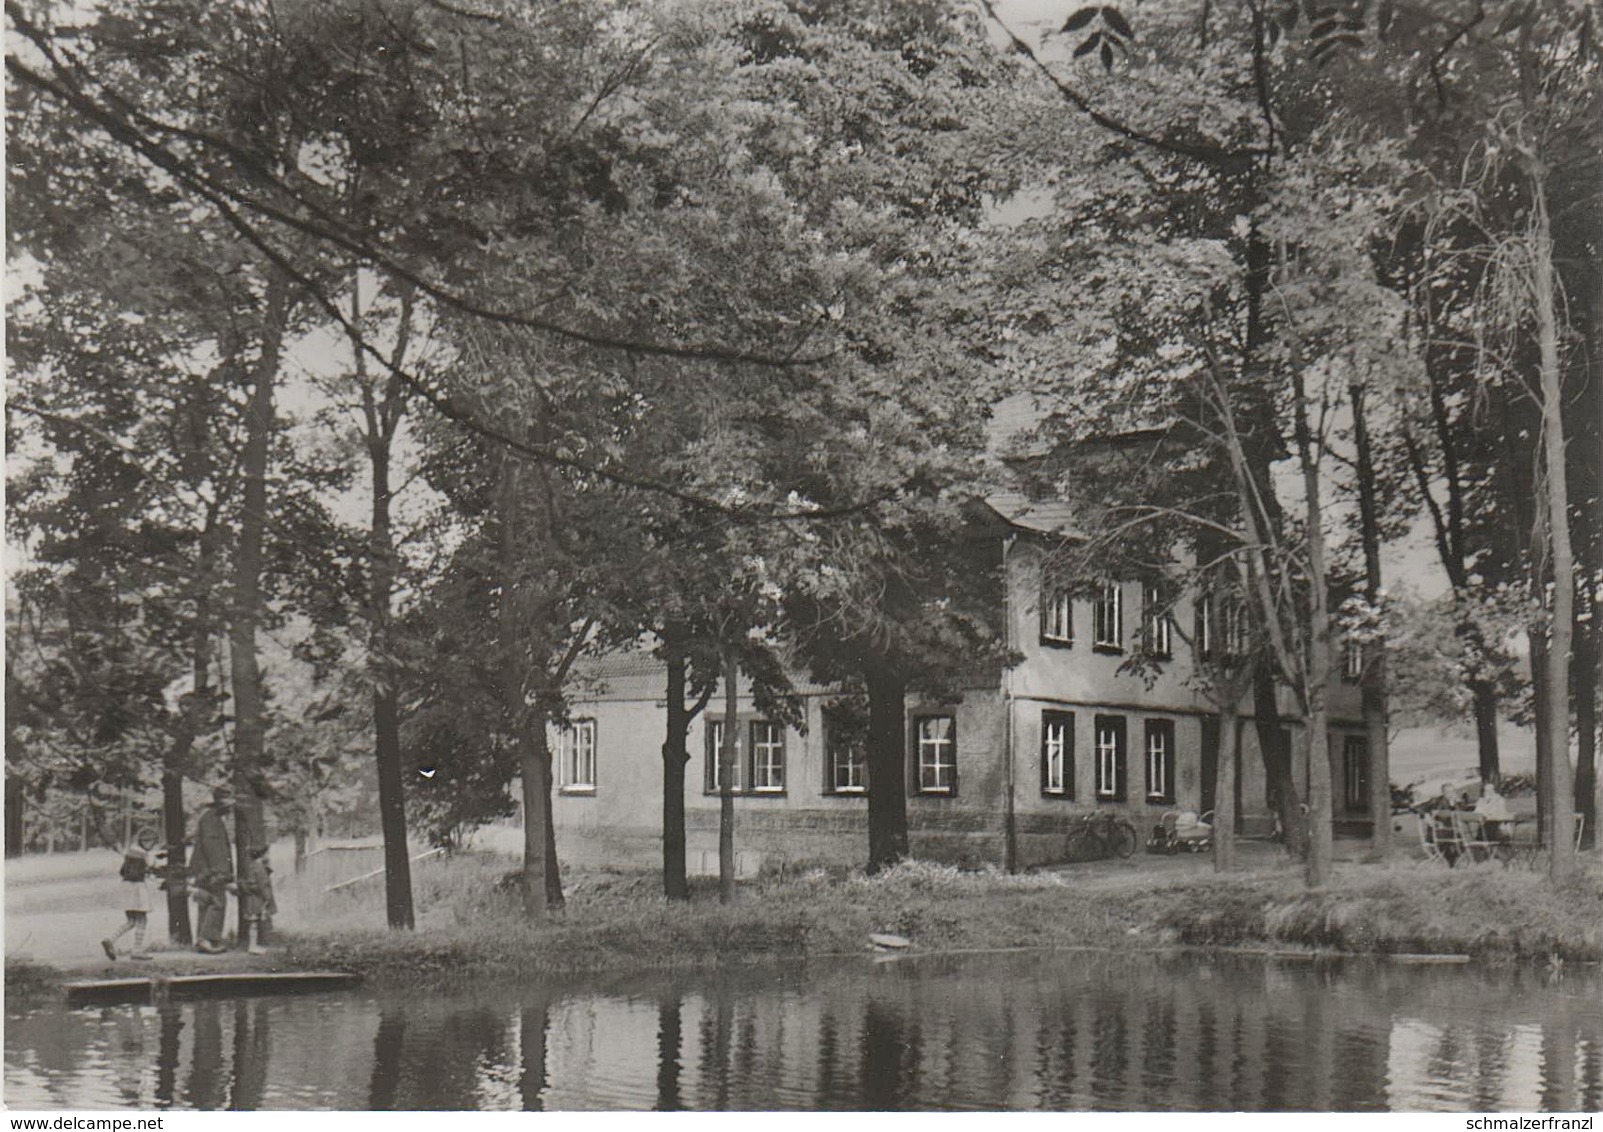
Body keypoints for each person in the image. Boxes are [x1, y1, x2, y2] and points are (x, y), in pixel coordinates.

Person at [190, 785, 236, 953]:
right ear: (221, 803)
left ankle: (205, 939)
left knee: (206, 903)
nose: (231, 808)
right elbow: (213, 848)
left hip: (206, 870)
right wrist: (222, 873)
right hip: (211, 871)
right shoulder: (211, 820)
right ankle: (205, 939)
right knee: (217, 902)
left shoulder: (211, 818)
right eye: (229, 804)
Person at [101, 845, 154, 961]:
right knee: (142, 920)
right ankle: (137, 950)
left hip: (125, 888)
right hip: (138, 889)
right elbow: (144, 871)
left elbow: (122, 872)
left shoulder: (130, 855)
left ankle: (110, 939)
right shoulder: (142, 856)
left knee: (131, 921)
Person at [238, 846, 276, 955]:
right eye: (267, 854)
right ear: (262, 855)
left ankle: (253, 945)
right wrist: (267, 898)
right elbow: (263, 885)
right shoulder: (260, 868)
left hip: (251, 899)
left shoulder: (251, 866)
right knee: (254, 923)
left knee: (253, 923)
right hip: (256, 899)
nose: (268, 856)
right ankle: (253, 946)